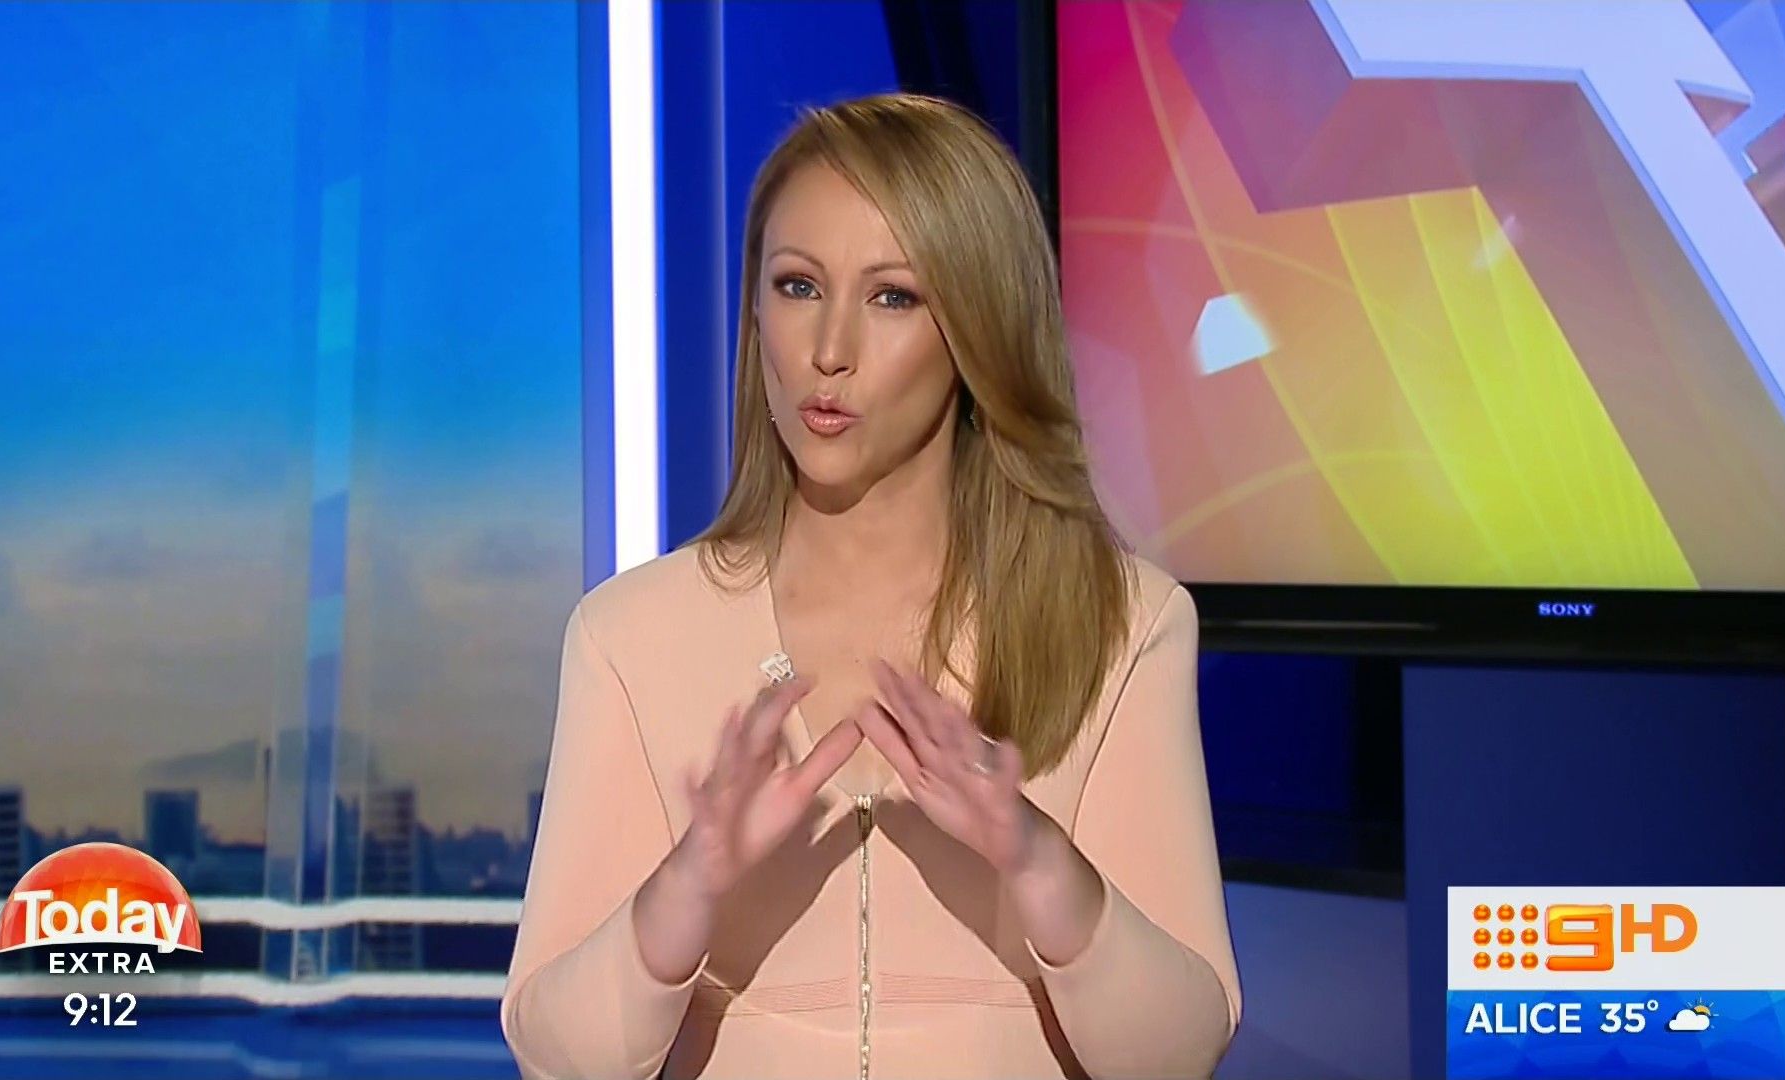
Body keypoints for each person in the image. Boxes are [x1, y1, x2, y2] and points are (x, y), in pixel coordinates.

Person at [502, 92, 1241, 1080]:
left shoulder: (1123, 623)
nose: (829, 350)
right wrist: (689, 887)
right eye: (798, 285)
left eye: (892, 297)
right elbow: (557, 1055)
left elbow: (1179, 1052)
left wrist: (1035, 861)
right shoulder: (628, 635)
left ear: (977, 329)